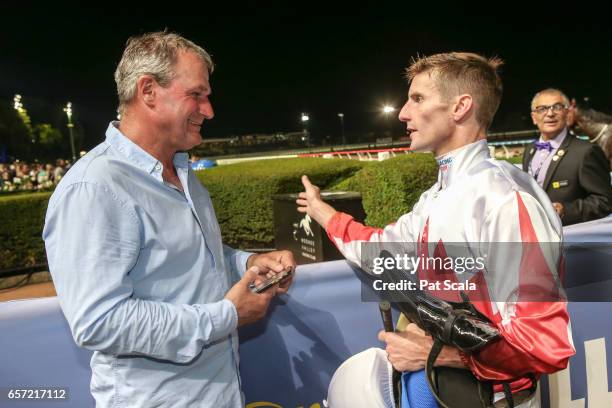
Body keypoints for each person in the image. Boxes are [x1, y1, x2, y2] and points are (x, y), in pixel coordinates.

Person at [298, 53, 574, 407]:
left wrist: (439, 355)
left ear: (460, 107)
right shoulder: (438, 195)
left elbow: (545, 344)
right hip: (444, 389)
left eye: (417, 98)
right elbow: (380, 249)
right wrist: (323, 213)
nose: (402, 113)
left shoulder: (505, 199)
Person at [43, 31, 295, 407]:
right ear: (148, 91)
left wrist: (248, 262)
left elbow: (189, 259)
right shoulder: (94, 187)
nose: (208, 111)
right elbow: (99, 321)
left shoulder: (182, 171)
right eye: (197, 95)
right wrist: (226, 316)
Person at [522, 88, 612, 225]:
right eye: (542, 109)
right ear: (534, 117)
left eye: (557, 107)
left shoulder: (587, 151)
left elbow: (604, 202)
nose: (550, 113)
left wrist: (565, 210)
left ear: (567, 113)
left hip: (569, 239)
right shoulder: (529, 150)